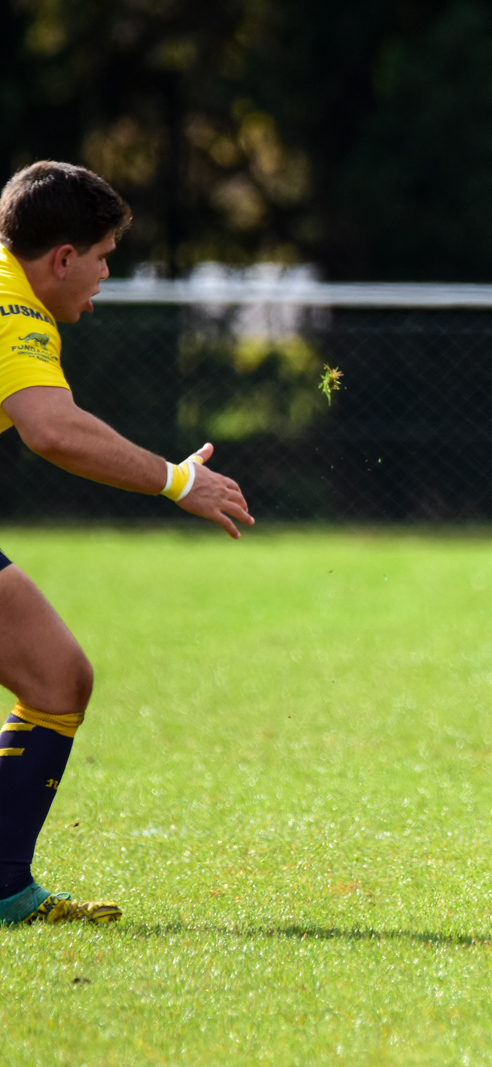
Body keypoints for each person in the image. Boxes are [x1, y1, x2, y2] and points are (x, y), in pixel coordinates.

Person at [0, 161, 253, 927]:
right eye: (104, 256)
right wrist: (179, 482)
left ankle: (4, 889)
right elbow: (53, 429)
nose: (108, 274)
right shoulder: (14, 307)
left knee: (56, 678)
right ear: (63, 258)